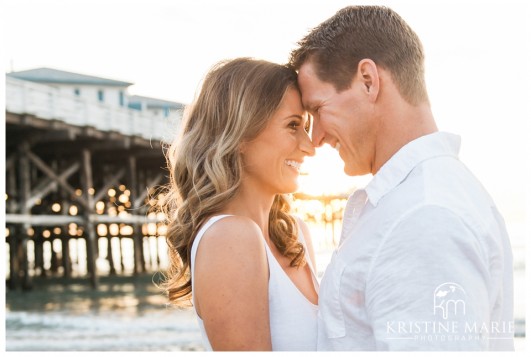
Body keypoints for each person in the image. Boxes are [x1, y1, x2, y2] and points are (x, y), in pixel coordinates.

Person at [289, 5, 514, 351]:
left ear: (368, 80)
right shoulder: (424, 197)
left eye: (318, 109)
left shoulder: (424, 216)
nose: (316, 137)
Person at [161, 58, 318, 351]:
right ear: (241, 134)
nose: (309, 145)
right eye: (293, 125)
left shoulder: (296, 234)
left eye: (306, 126)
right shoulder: (229, 237)